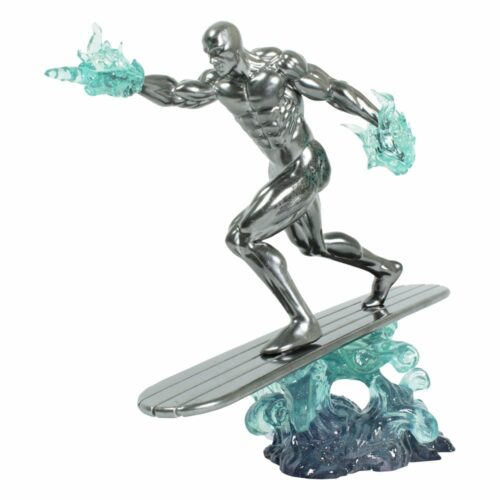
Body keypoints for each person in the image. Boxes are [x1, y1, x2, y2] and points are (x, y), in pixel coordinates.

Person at [139, 21, 402, 355]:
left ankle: (303, 321)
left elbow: (333, 90)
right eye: (210, 56)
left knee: (242, 238)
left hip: (308, 164)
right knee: (313, 246)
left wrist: (379, 120)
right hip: (281, 172)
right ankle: (385, 269)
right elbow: (176, 94)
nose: (214, 62)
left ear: (236, 48)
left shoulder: (279, 65)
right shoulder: (219, 83)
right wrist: (134, 82)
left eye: (219, 54)